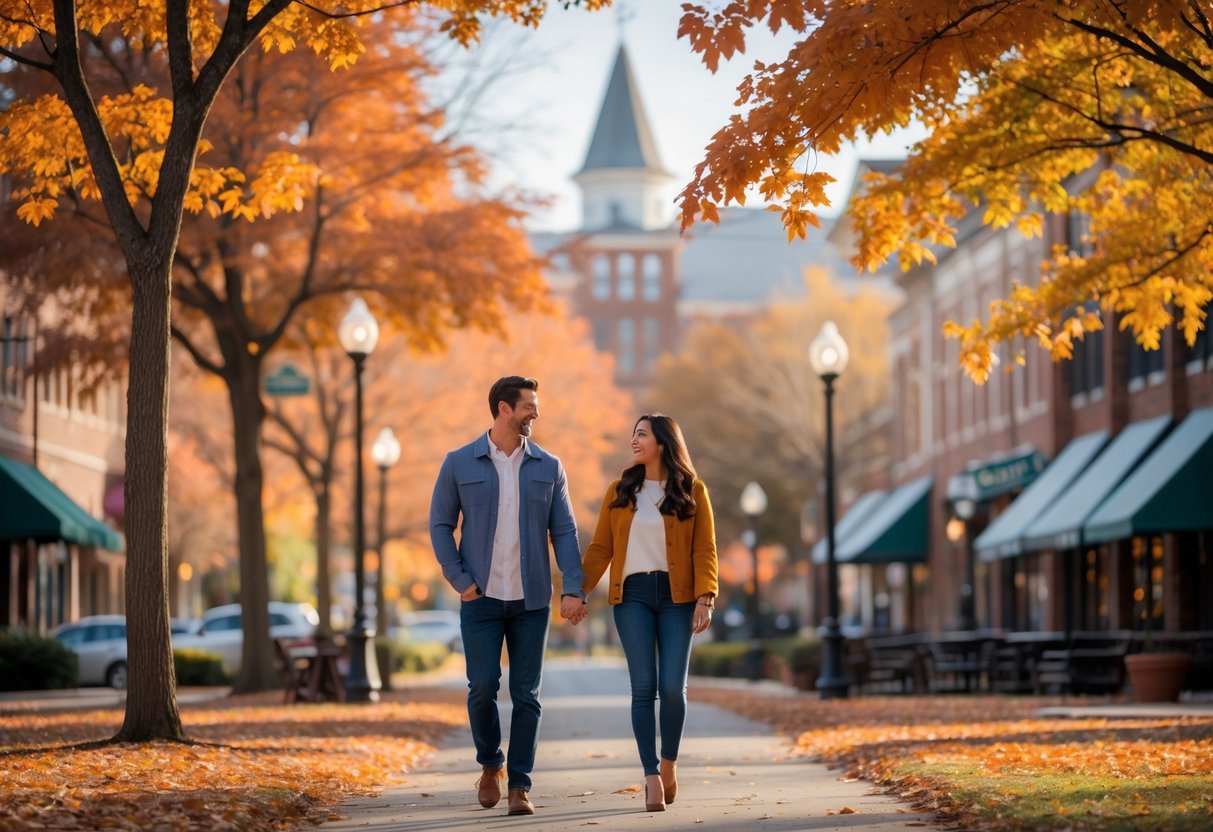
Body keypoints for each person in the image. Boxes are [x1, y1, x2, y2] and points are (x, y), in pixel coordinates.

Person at [430, 375, 588, 816]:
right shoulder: (459, 462)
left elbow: (565, 531)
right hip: (478, 598)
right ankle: (489, 764)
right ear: (503, 408)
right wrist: (459, 578)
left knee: (526, 694)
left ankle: (519, 785)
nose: (535, 413)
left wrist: (572, 587)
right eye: (528, 406)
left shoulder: (549, 467)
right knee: (482, 687)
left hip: (530, 600)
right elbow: (441, 525)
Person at [580, 414, 718, 812]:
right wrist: (578, 591)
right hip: (634, 596)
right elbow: (601, 549)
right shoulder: (619, 491)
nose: (633, 440)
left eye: (641, 434)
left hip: (679, 596)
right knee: (643, 688)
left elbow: (705, 549)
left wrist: (705, 597)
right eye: (633, 435)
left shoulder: (693, 490)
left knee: (673, 688)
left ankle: (669, 762)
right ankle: (650, 775)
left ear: (662, 442)